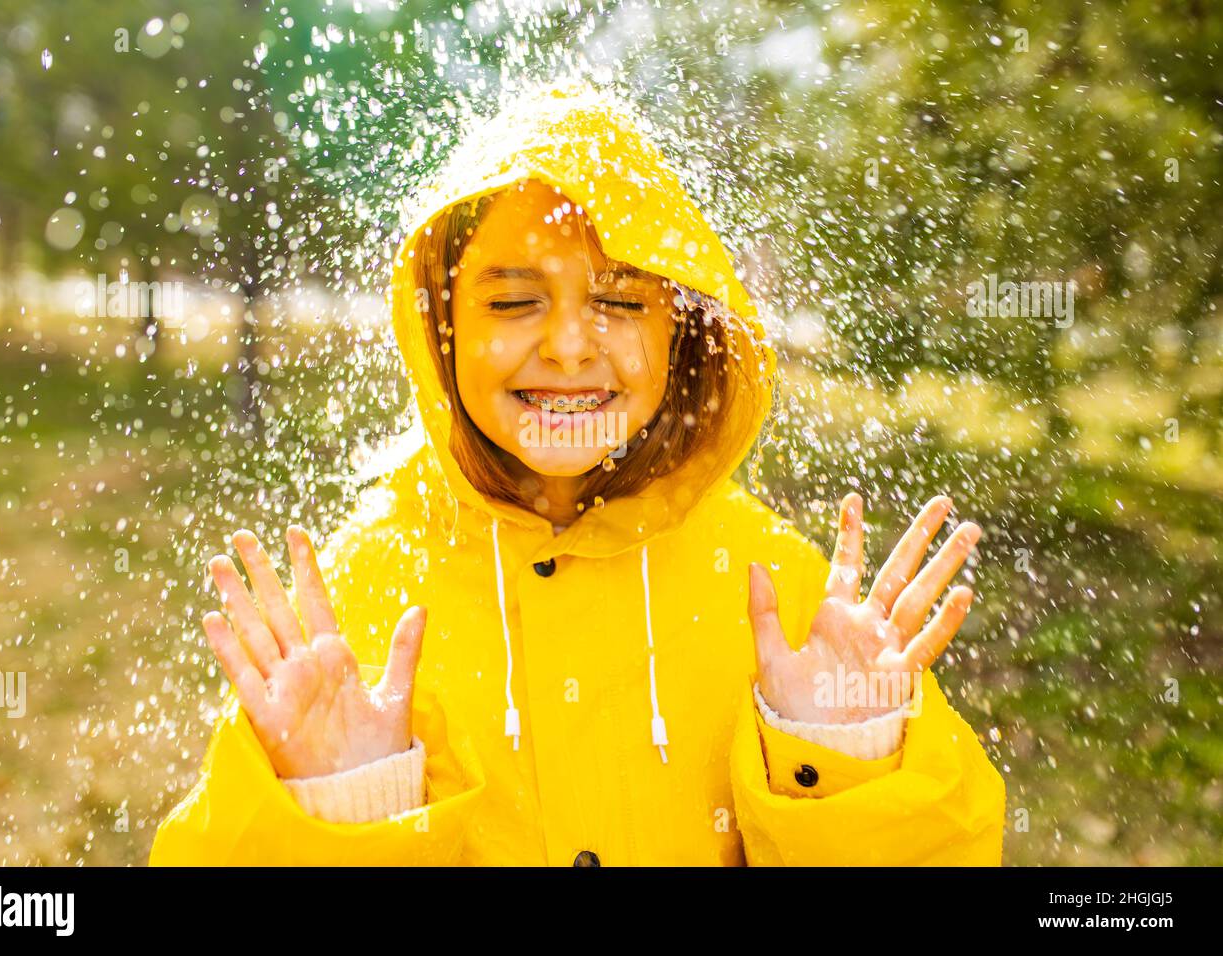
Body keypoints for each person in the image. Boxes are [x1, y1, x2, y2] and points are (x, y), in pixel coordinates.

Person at [150, 81, 1005, 866]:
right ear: (442, 325)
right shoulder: (354, 603)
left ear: (682, 333)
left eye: (622, 301)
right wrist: (342, 810)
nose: (566, 346)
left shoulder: (778, 594)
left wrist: (846, 768)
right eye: (513, 301)